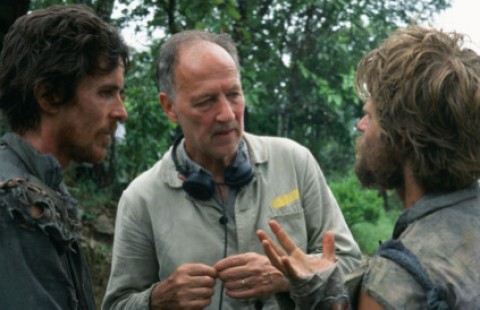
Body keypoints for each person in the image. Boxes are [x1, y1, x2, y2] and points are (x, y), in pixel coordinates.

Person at [102, 30, 361, 309]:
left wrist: (290, 276)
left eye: (234, 95)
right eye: (206, 101)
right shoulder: (141, 198)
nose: (227, 114)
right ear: (170, 107)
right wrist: (156, 300)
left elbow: (351, 265)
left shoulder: (295, 162)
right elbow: (118, 303)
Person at [257, 25, 480, 309]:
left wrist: (324, 297)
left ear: (401, 138)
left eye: (369, 116)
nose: (360, 126)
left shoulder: (395, 283)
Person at [0, 5, 129, 309]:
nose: (121, 112)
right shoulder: (13, 205)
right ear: (49, 96)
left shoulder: (43, 187)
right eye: (106, 93)